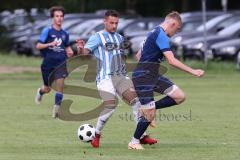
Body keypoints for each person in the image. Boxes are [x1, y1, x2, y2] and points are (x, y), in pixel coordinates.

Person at [76, 10, 157, 148]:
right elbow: (84, 55)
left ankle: (141, 136)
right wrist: (80, 49)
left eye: (116, 23)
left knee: (137, 102)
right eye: (111, 23)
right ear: (105, 21)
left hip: (120, 76)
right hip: (105, 77)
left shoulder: (119, 38)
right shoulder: (97, 37)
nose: (114, 26)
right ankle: (97, 134)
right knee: (110, 106)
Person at [128, 11, 205, 150]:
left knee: (179, 96)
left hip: (151, 74)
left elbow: (138, 55)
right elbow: (171, 60)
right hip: (144, 76)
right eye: (177, 29)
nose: (175, 32)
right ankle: (134, 142)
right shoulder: (161, 34)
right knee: (149, 113)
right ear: (173, 23)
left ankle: (146, 108)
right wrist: (193, 71)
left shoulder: (153, 32)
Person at [34, 6, 74, 118]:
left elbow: (67, 48)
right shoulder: (47, 31)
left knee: (60, 87)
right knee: (47, 89)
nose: (59, 18)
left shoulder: (65, 34)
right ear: (53, 18)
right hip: (48, 64)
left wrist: (70, 52)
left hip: (61, 63)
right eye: (57, 16)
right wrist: (49, 44)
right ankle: (41, 92)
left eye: (61, 16)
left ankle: (56, 111)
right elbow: (38, 46)